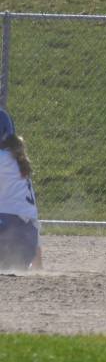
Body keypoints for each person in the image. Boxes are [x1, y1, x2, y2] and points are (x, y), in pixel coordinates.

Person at [0, 109, 42, 271]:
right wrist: (38, 265)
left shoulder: (2, 159)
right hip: (25, 246)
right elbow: (32, 219)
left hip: (7, 236)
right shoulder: (16, 161)